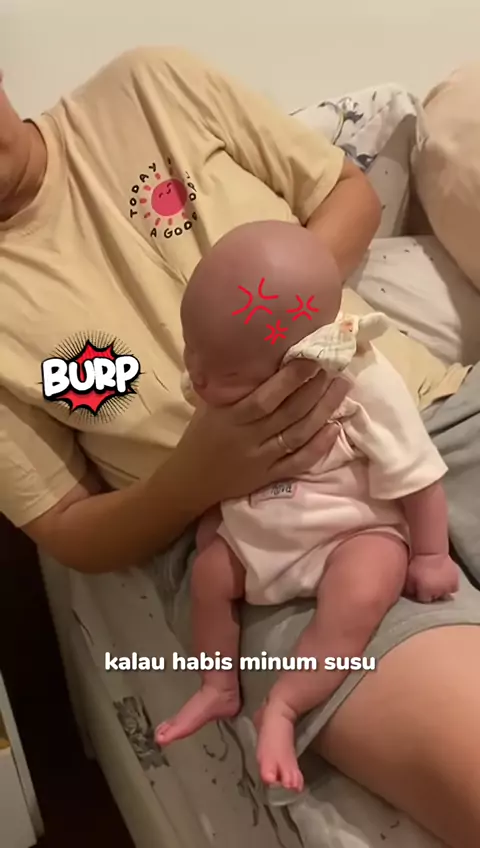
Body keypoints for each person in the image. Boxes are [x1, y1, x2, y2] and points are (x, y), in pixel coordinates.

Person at [1, 47, 480, 848]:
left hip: (440, 415)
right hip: (273, 537)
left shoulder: (150, 89)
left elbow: (346, 193)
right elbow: (66, 527)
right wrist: (198, 477)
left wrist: (285, 326)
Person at [155, 220, 459, 792]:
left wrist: (431, 554)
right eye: (192, 352)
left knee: (367, 584)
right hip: (260, 526)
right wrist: (212, 516)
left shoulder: (360, 380)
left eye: (224, 373)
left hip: (349, 529)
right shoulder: (220, 368)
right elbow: (210, 457)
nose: (198, 378)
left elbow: (417, 472)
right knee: (208, 575)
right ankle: (217, 685)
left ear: (301, 360)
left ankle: (287, 703)